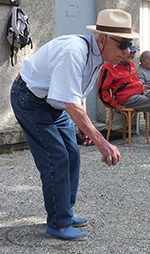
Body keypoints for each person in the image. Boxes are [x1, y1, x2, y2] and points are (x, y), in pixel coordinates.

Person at [10, 9, 139, 241]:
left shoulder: (100, 56)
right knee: (56, 157)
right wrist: (103, 143)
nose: (127, 51)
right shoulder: (74, 51)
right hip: (29, 99)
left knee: (72, 153)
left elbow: (79, 92)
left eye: (130, 44)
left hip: (54, 101)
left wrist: (83, 126)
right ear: (102, 38)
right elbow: (72, 105)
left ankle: (64, 213)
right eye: (122, 44)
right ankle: (58, 224)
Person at [98, 44, 150, 113]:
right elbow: (102, 91)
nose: (133, 56)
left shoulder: (130, 63)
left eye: (134, 53)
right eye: (131, 52)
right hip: (127, 98)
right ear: (121, 52)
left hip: (140, 93)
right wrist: (114, 105)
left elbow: (136, 81)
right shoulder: (109, 67)